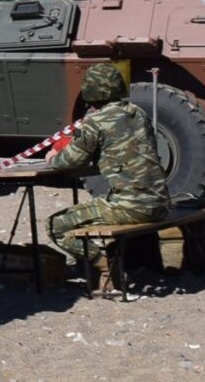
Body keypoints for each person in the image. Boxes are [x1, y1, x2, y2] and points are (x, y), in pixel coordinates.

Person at [43, 62, 168, 271]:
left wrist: (53, 157)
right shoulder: (138, 113)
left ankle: (104, 267)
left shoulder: (96, 122)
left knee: (55, 225)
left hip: (129, 207)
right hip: (160, 202)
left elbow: (71, 162)